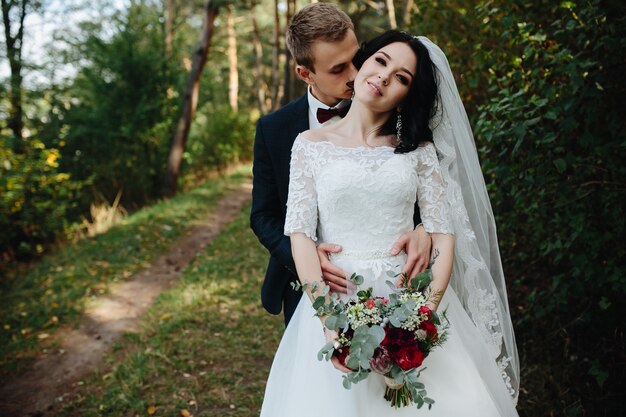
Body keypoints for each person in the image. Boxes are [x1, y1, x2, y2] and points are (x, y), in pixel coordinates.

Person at [260, 30, 520, 416]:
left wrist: (423, 319)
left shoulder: (419, 151)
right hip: (337, 298)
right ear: (363, 63)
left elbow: (443, 237)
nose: (384, 77)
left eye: (402, 77)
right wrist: (329, 321)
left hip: (407, 297)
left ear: (407, 94)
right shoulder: (308, 144)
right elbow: (299, 235)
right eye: (381, 61)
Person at [250, 3, 430, 326]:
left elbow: (415, 184)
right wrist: (304, 255)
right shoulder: (273, 129)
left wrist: (422, 229)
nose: (355, 74)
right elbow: (263, 215)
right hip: (308, 288)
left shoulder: (392, 109)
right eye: (337, 69)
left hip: (393, 283)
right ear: (306, 73)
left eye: (356, 59)